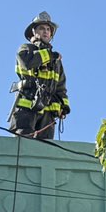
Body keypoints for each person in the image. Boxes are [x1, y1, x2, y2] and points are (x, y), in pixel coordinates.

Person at [10, 12, 70, 140]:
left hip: (47, 114)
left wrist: (63, 106)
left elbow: (60, 86)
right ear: (34, 31)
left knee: (44, 151)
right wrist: (50, 55)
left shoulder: (56, 61)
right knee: (22, 146)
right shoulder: (26, 49)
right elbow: (27, 62)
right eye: (42, 28)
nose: (46, 32)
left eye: (48, 29)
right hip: (26, 108)